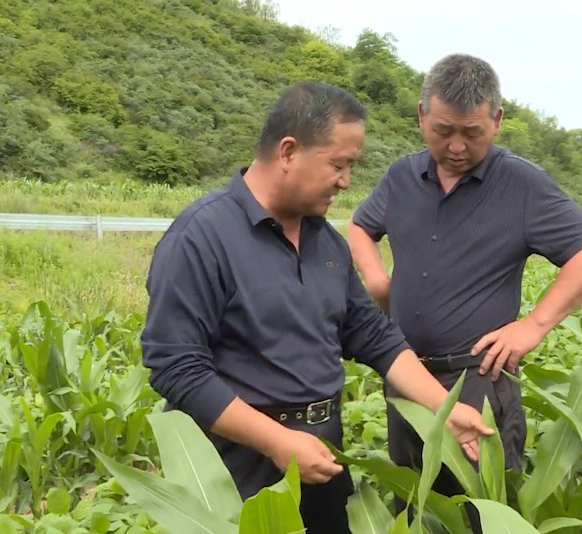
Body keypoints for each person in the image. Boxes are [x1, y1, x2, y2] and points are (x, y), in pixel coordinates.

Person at [140, 81, 495, 534]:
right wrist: (277, 442)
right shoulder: (202, 237)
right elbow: (176, 366)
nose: (346, 181)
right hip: (236, 465)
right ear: (288, 152)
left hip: (322, 452)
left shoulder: (325, 241)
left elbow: (373, 335)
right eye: (338, 164)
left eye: (351, 166)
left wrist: (446, 408)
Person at [347, 54, 582, 529]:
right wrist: (376, 280)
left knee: (481, 513)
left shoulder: (522, 184)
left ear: (497, 119)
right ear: (422, 115)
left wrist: (534, 325)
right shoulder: (402, 177)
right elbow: (360, 227)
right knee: (414, 508)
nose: (456, 146)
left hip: (477, 381)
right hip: (406, 376)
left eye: (472, 132)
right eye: (443, 130)